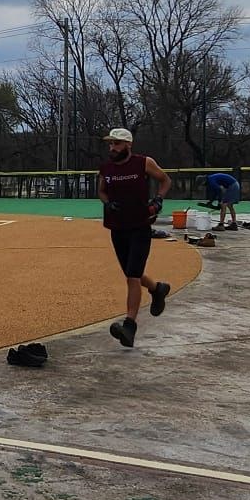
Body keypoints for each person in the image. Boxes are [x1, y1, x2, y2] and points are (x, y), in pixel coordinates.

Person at [97, 128, 172, 348]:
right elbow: (101, 190)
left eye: (117, 144)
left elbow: (165, 180)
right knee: (133, 274)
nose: (112, 148)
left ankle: (129, 326)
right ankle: (157, 288)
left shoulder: (143, 163)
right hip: (116, 228)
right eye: (110, 144)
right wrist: (107, 202)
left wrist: (158, 200)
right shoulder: (106, 168)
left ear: (128, 145)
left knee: (132, 276)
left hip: (139, 226)